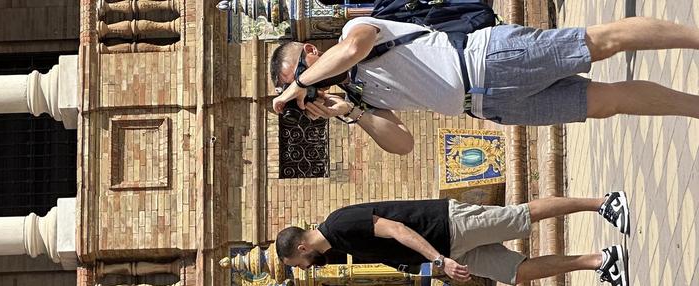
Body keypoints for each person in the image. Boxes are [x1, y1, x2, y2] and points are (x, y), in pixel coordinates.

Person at [267, 14, 699, 152]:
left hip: (491, 59)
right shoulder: (359, 93)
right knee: (605, 103)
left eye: (299, 78)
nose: (307, 92)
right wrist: (352, 112)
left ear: (311, 52)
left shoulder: (353, 31)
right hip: (490, 106)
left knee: (602, 43)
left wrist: (299, 81)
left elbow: (353, 49)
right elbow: (403, 144)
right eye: (300, 93)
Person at [273, 195, 630, 286]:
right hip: (448, 251)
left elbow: (397, 229)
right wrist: (438, 264)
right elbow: (398, 254)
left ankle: (602, 203)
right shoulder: (339, 244)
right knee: (516, 273)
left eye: (296, 263)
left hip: (447, 225)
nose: (302, 269)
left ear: (302, 247)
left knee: (520, 216)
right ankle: (600, 260)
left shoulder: (338, 224)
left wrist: (437, 259)